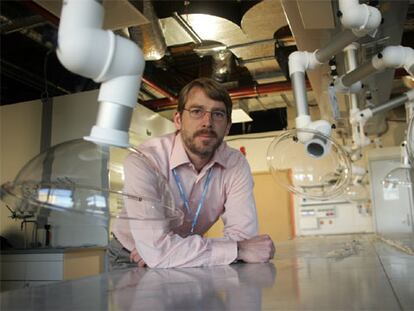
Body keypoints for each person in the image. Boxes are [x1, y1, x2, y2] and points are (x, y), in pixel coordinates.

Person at [108, 77, 275, 269]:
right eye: (197, 111)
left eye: (218, 114)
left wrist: (168, 253)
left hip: (189, 256)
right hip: (130, 255)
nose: (207, 122)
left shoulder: (235, 164)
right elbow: (156, 251)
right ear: (178, 120)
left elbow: (244, 238)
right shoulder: (144, 160)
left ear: (228, 126)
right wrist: (158, 252)